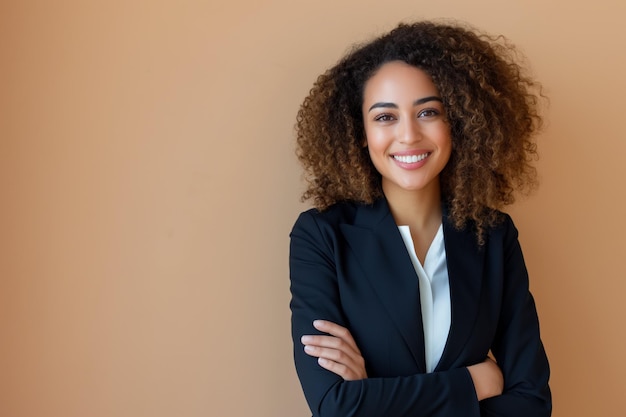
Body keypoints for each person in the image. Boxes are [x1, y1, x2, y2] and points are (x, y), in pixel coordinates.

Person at [289, 20, 551, 417]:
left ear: (458, 122)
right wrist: (476, 382)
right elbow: (335, 407)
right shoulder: (322, 236)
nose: (409, 135)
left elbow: (531, 404)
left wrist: (375, 395)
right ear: (360, 132)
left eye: (428, 112)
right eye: (385, 117)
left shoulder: (494, 236)